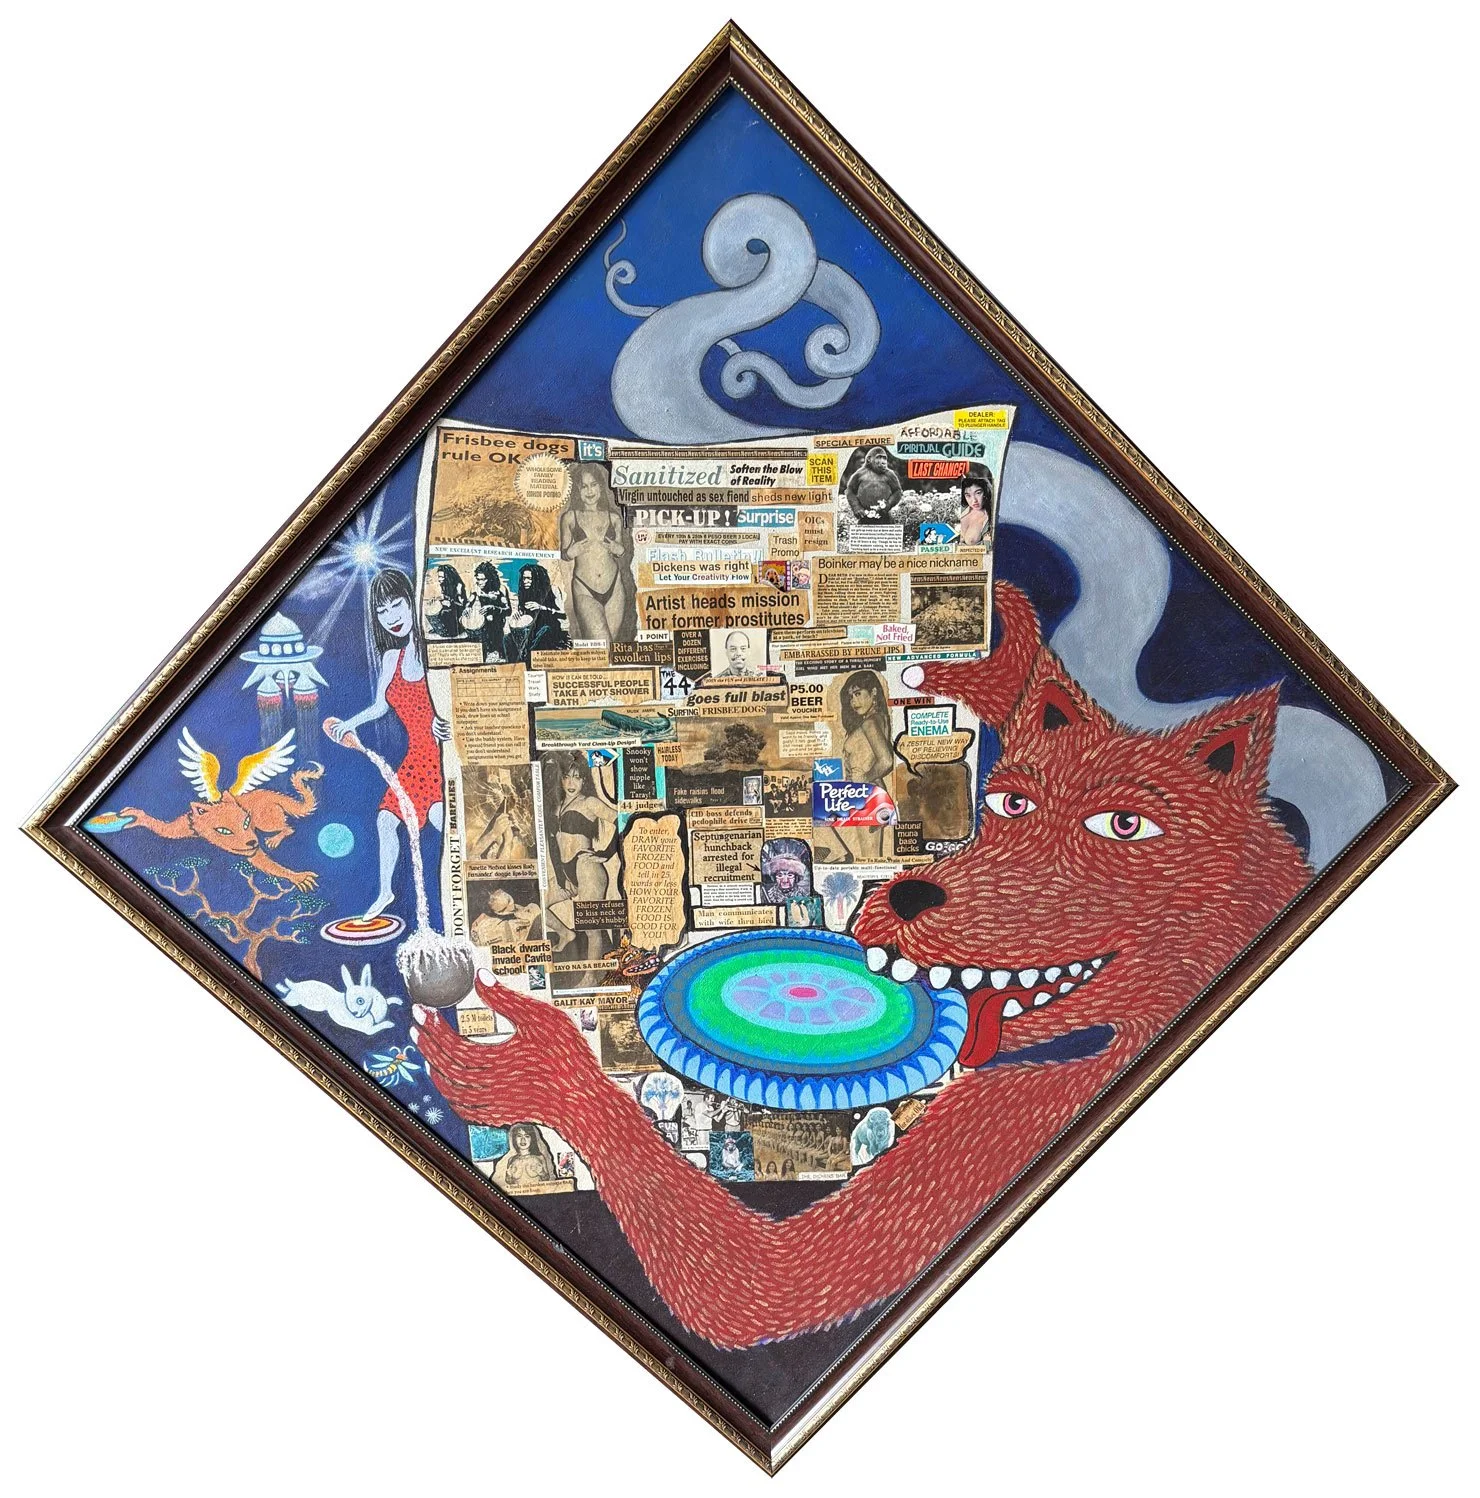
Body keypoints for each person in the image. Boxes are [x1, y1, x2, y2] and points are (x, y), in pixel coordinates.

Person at [326, 568, 450, 918]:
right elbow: (380, 706)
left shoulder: (436, 652)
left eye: (396, 605)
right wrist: (350, 723)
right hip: (415, 759)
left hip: (443, 758)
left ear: (413, 603)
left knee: (444, 823)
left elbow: (458, 698)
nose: (391, 617)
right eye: (382, 611)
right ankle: (385, 893)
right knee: (385, 820)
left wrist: (446, 723)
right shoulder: (390, 658)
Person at [544, 755, 619, 972]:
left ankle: (591, 976)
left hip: (586, 867)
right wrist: (561, 879)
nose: (571, 783)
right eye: (566, 777)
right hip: (567, 872)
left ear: (584, 780)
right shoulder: (557, 806)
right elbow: (554, 846)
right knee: (539, 905)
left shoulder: (589, 802)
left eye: (577, 778)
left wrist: (607, 853)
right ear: (561, 780)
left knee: (591, 928)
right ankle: (566, 933)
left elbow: (623, 821)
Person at [560, 462, 633, 643]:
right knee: (603, 644)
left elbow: (621, 551)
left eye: (593, 484)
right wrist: (570, 552)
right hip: (585, 588)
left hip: (614, 587)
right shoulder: (570, 517)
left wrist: (619, 550)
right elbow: (563, 554)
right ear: (577, 490)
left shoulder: (614, 518)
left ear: (600, 487)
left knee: (609, 647)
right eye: (584, 486)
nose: (589, 491)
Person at [506, 563, 569, 663]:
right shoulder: (524, 592)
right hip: (532, 629)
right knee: (507, 639)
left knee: (543, 633)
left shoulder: (553, 590)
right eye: (524, 578)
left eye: (529, 578)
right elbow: (524, 613)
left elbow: (562, 614)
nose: (525, 581)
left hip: (549, 628)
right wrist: (518, 614)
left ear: (537, 578)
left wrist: (541, 608)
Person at [844, 446, 903, 522]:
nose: (883, 462)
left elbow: (897, 491)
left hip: (884, 516)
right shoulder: (860, 474)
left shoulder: (889, 474)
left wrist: (888, 505)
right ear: (869, 459)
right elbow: (850, 491)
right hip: (864, 515)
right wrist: (856, 507)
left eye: (884, 458)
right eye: (879, 457)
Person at [471, 886, 542, 948]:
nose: (500, 892)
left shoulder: (529, 908)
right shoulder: (483, 927)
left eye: (497, 890)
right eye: (491, 898)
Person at [471, 561, 512, 662]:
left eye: (482, 579)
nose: (479, 582)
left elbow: (508, 611)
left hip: (498, 626)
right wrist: (467, 608)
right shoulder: (477, 588)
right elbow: (469, 602)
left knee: (501, 655)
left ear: (490, 579)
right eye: (478, 579)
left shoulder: (501, 589)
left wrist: (493, 609)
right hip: (483, 626)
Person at [494, 1123, 557, 1190]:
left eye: (527, 1136)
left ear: (532, 1139)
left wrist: (541, 1172)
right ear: (514, 1139)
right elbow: (509, 1181)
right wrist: (509, 1174)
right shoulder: (511, 1159)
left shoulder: (539, 1157)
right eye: (519, 1136)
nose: (523, 1140)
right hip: (519, 1194)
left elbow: (547, 1179)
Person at [424, 563, 468, 639]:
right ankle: (439, 629)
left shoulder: (458, 586)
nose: (439, 579)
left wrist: (451, 604)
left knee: (444, 612)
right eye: (439, 577)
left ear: (448, 576)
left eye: (441, 577)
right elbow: (445, 597)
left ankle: (452, 632)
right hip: (450, 608)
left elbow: (463, 605)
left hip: (458, 613)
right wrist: (436, 600)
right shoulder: (444, 585)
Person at [957, 473, 993, 546]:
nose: (974, 500)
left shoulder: (990, 518)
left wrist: (986, 543)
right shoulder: (959, 509)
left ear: (985, 492)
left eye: (978, 493)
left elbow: (988, 548)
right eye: (968, 495)